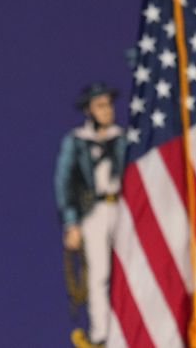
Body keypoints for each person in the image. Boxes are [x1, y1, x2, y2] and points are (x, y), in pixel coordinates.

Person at [54, 82, 126, 347]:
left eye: (108, 104)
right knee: (98, 273)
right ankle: (100, 333)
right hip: (93, 212)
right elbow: (64, 182)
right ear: (89, 110)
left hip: (122, 210)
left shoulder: (123, 139)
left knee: (126, 270)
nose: (107, 110)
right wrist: (71, 222)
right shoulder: (76, 141)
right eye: (100, 106)